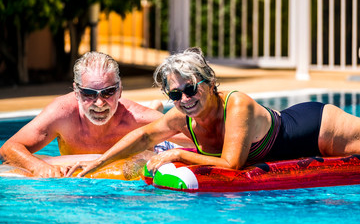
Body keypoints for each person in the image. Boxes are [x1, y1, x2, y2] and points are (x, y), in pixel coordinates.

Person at [66, 47, 360, 178]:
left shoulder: (237, 104)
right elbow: (143, 137)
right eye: (175, 94)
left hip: (321, 129)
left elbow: (232, 165)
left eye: (191, 88)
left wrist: (179, 155)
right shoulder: (182, 114)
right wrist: (97, 163)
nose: (185, 98)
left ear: (210, 83)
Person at [0, 51, 191, 178]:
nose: (99, 103)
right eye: (89, 94)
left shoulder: (137, 119)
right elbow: (9, 147)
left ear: (120, 90)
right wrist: (38, 167)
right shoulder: (62, 113)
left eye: (108, 92)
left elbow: (203, 136)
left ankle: (155, 107)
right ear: (76, 91)